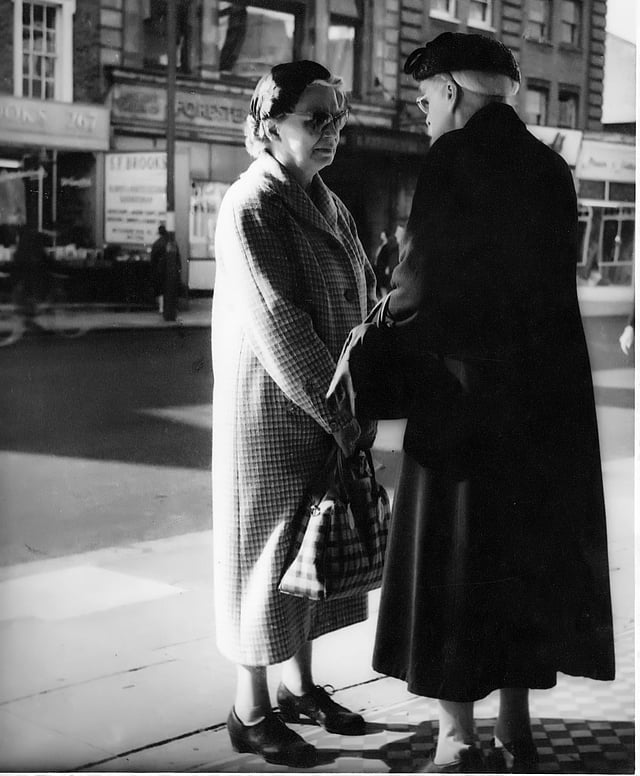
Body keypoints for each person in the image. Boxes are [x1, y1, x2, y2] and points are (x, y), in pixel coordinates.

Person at [367, 33, 615, 773]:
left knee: (456, 558)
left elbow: (420, 283)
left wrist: (381, 322)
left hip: (464, 399)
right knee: (520, 555)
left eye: (423, 101)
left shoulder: (453, 160)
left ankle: (456, 736)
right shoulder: (550, 167)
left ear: (450, 92)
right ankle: (516, 726)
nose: (423, 116)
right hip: (541, 401)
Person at [211, 60, 377, 767]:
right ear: (269, 126)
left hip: (323, 414)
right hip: (272, 422)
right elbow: (282, 327)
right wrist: (346, 414)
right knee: (262, 562)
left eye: (338, 116)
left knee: (307, 562)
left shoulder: (325, 199)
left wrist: (369, 386)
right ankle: (250, 711)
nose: (333, 130)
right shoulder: (250, 205)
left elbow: (367, 292)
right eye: (317, 119)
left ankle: (300, 687)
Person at [149, 223, 180, 318]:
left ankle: (161, 308)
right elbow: (177, 258)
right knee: (170, 289)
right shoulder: (171, 243)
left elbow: (153, 259)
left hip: (160, 270)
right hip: (171, 271)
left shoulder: (156, 244)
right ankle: (170, 309)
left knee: (160, 289)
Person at [374, 225, 400, 296]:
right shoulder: (384, 245)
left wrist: (387, 267)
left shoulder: (388, 246)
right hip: (382, 269)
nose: (381, 235)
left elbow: (387, 258)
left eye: (383, 233)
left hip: (384, 269)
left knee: (384, 286)